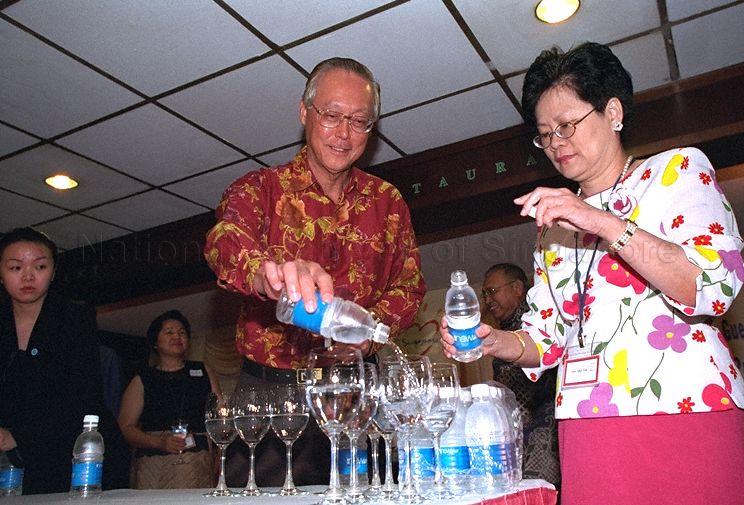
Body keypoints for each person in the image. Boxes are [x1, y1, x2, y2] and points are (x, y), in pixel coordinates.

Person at [441, 42, 744, 504]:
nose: (556, 144)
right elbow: (545, 339)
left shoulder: (676, 171)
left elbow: (714, 284)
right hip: (588, 422)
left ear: (612, 112)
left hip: (688, 406)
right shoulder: (553, 231)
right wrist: (495, 341)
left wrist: (599, 220)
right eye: (545, 134)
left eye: (566, 125)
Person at [204, 56, 426, 486]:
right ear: (305, 112)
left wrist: (369, 331)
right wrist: (267, 274)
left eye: (359, 122)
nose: (344, 134)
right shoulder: (260, 189)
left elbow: (410, 286)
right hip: (271, 401)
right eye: (331, 116)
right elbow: (223, 240)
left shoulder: (388, 201)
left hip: (359, 395)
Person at [0, 227, 128, 494]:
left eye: (40, 266)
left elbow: (83, 394)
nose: (28, 276)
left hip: (72, 452)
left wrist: (19, 437)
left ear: (53, 272)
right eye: (15, 267)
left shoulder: (73, 316)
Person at [118, 310, 221, 489]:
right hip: (154, 465)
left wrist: (220, 454)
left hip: (197, 461)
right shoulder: (143, 378)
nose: (177, 336)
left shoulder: (203, 370)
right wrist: (159, 442)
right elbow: (125, 427)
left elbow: (220, 416)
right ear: (155, 342)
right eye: (169, 332)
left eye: (182, 332)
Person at [482, 263, 559, 485]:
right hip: (519, 439)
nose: (488, 300)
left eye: (493, 291)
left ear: (517, 288)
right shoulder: (504, 330)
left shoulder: (539, 323)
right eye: (485, 293)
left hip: (545, 440)